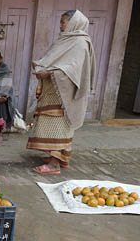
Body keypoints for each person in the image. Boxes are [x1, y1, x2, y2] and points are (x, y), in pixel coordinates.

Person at [28, 10, 96, 174]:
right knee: (57, 125)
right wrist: (40, 66)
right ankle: (61, 157)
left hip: (65, 95)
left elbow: (74, 70)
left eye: (63, 22)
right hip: (54, 91)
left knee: (59, 125)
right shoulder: (66, 40)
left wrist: (50, 73)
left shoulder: (80, 43)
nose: (60, 26)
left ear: (73, 23)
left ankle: (54, 165)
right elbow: (53, 60)